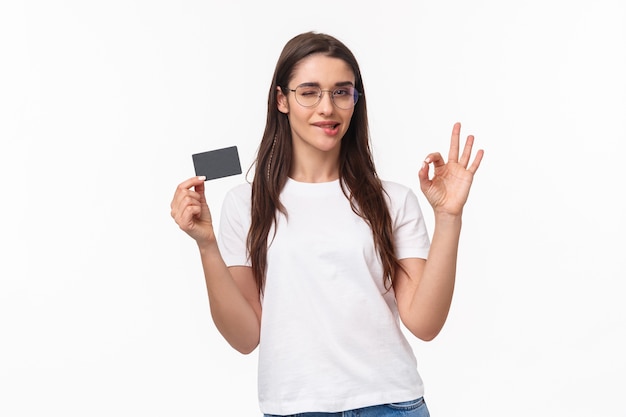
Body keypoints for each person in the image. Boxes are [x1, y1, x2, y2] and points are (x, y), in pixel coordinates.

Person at [170, 31, 483, 417]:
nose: (327, 108)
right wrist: (206, 245)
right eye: (309, 91)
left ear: (355, 101)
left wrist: (449, 218)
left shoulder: (393, 200)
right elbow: (245, 337)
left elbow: (425, 323)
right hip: (294, 407)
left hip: (389, 404)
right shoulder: (246, 204)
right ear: (281, 100)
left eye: (341, 92)